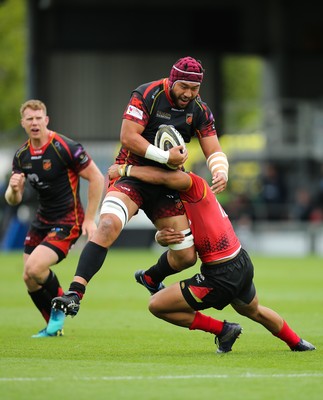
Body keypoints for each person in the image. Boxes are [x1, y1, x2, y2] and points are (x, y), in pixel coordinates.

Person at [51, 56, 229, 318]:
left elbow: (213, 148)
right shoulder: (147, 94)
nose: (188, 94)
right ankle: (75, 292)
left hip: (165, 184)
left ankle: (150, 277)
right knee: (109, 224)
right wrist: (166, 157)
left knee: (186, 256)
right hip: (129, 174)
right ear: (172, 80)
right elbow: (128, 136)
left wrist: (220, 170)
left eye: (194, 89)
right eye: (183, 87)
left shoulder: (199, 109)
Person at [107, 162, 316, 353]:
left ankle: (223, 330)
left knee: (157, 305)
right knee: (254, 311)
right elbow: (185, 243)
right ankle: (297, 342)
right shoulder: (179, 203)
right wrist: (160, 237)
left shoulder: (193, 183)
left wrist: (125, 170)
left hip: (220, 276)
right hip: (240, 262)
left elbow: (164, 178)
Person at [4, 99, 105, 338]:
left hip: (68, 219)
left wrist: (90, 220)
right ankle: (53, 325)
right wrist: (14, 189)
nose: (35, 122)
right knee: (28, 277)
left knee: (35, 267)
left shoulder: (64, 147)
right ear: (23, 123)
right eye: (30, 119)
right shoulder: (21, 156)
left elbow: (97, 178)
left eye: (39, 118)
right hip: (42, 220)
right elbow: (12, 200)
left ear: (46, 120)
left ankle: (61, 307)